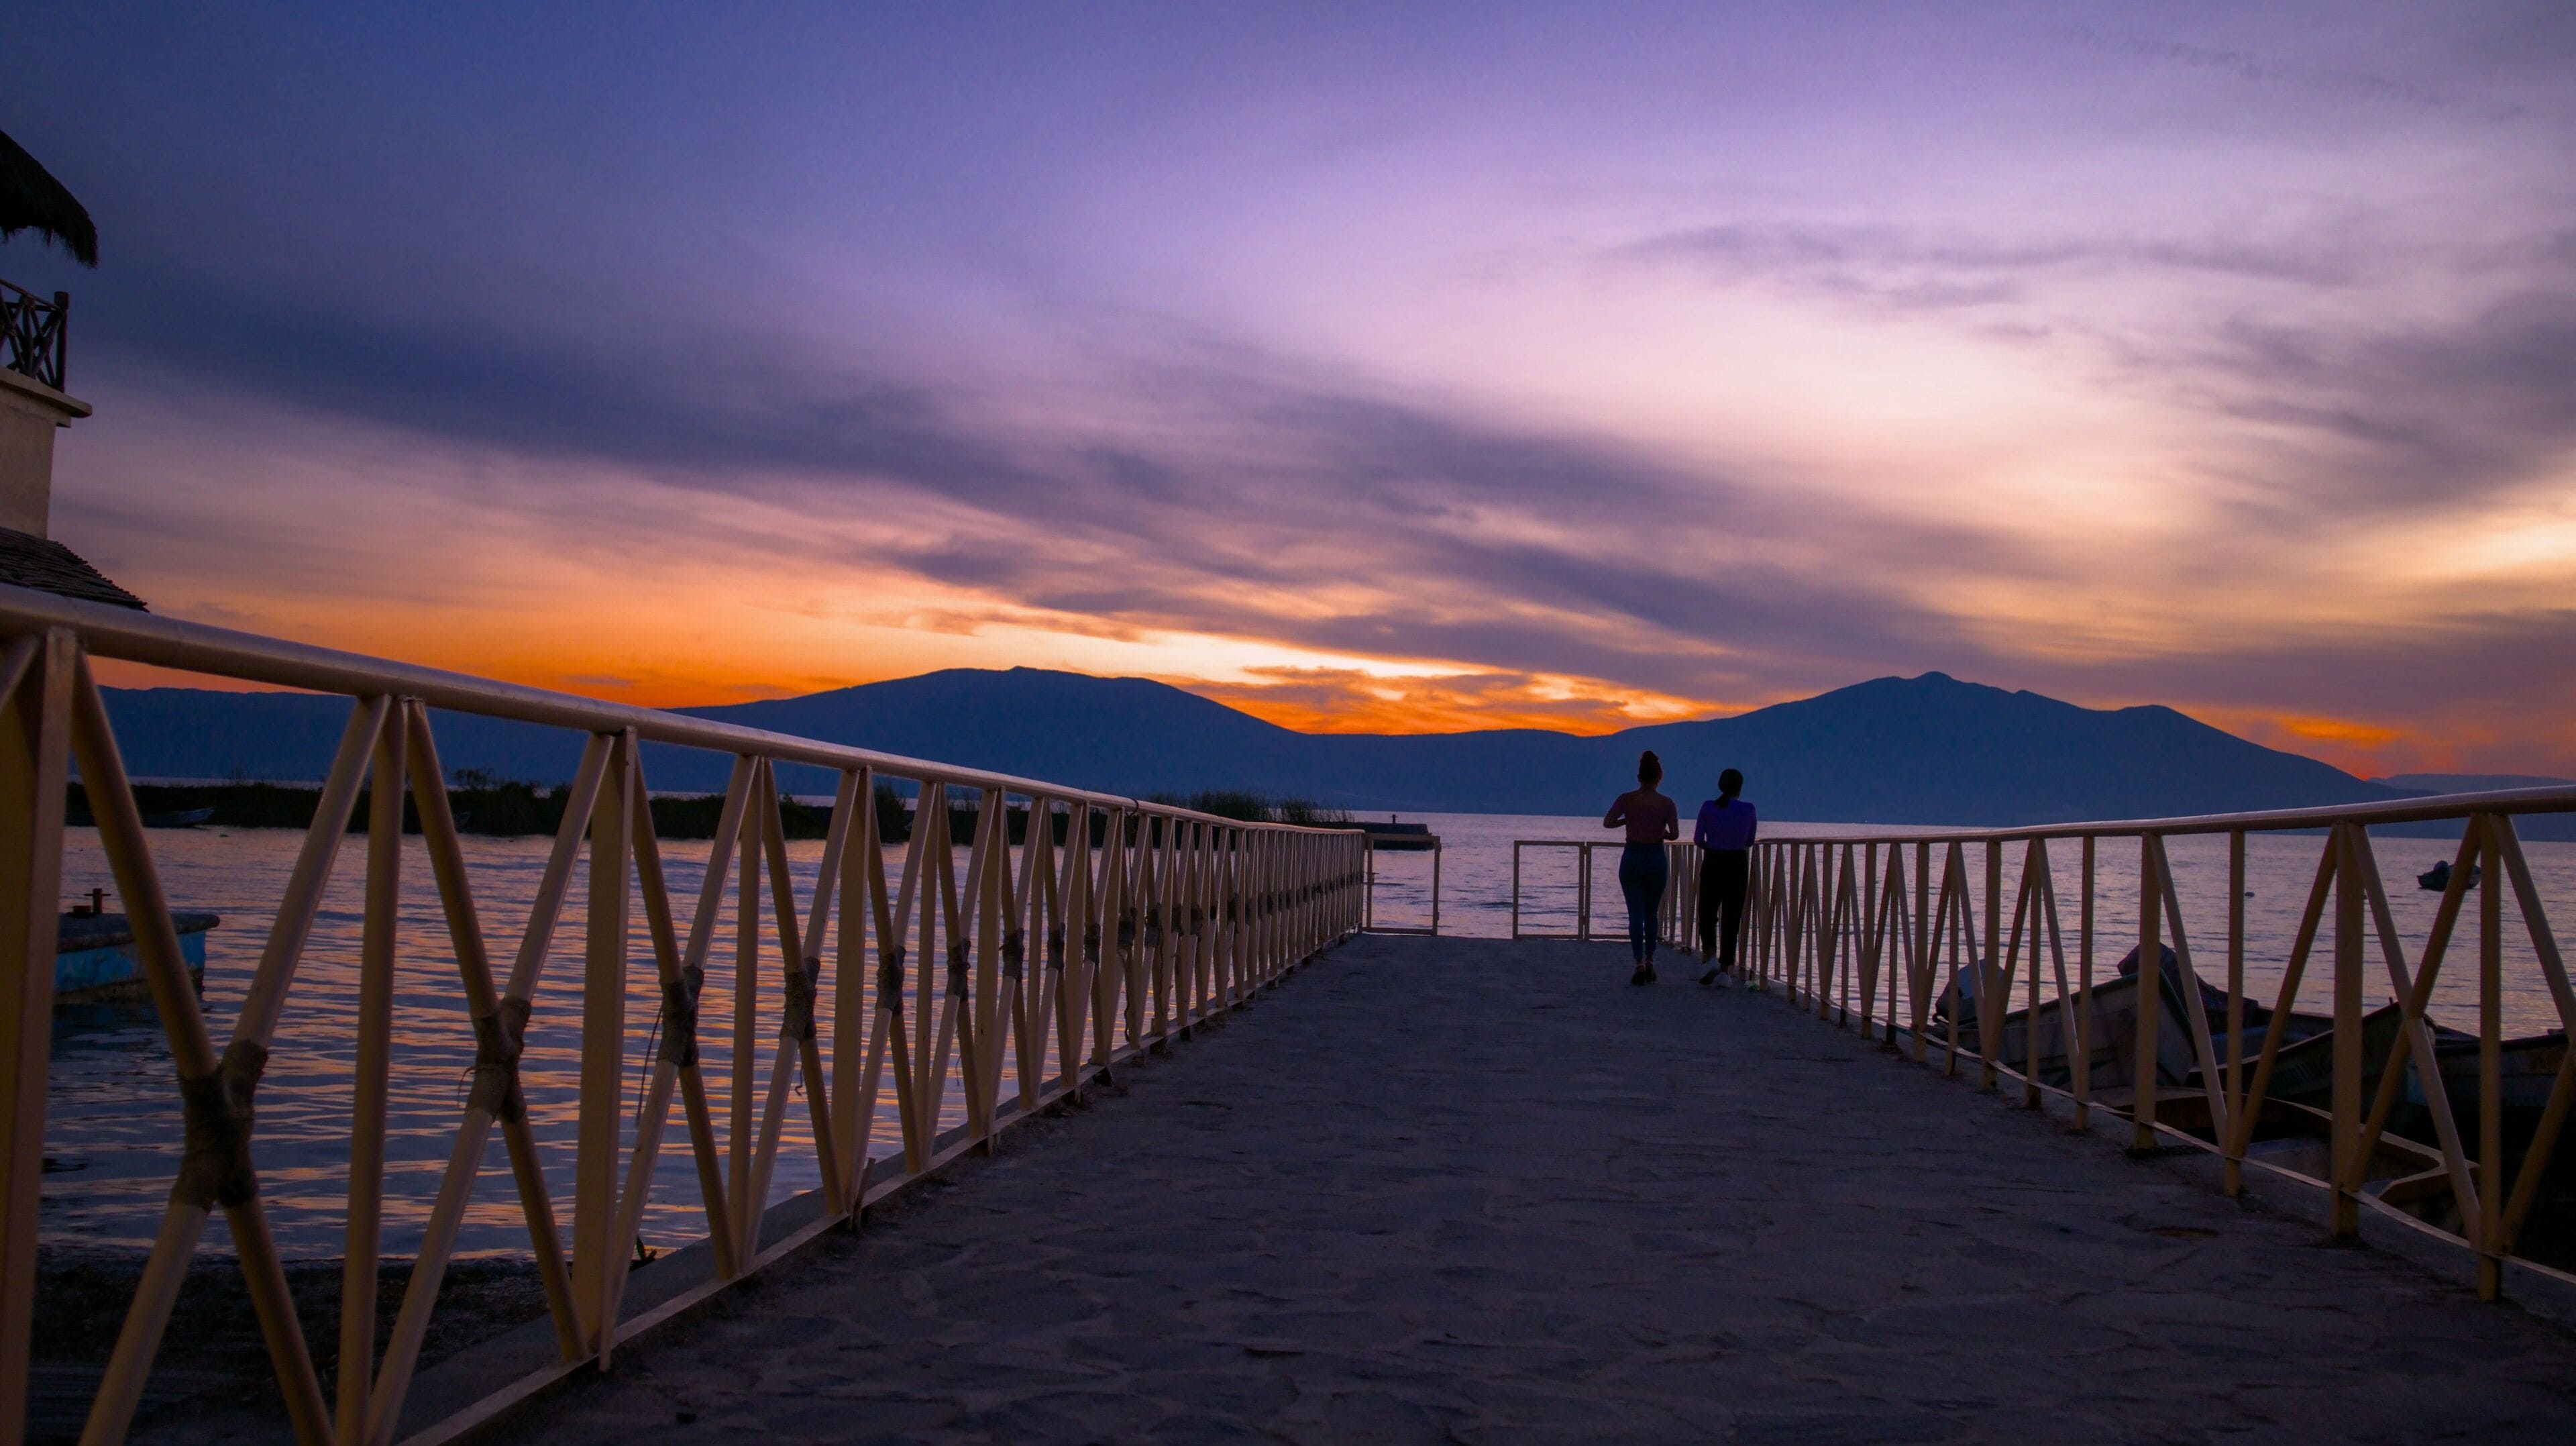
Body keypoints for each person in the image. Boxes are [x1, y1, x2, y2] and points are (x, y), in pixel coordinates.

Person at [1602, 750, 1679, 984]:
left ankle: (1637, 963)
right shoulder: (1666, 803)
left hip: (1633, 857)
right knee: (1651, 913)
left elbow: (1608, 822)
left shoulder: (1627, 799)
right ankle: (1650, 961)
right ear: (1659, 777)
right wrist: (1661, 832)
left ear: (1639, 777)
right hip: (1655, 858)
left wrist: (1629, 820)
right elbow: (1674, 835)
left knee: (1635, 914)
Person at [1693, 768, 1756, 986]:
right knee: (1732, 916)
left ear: (1720, 786)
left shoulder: (1708, 807)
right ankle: (1725, 971)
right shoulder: (1748, 809)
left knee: (1707, 911)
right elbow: (1749, 841)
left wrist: (1713, 845)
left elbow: (1698, 839)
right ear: (1740, 788)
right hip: (1737, 864)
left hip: (1713, 861)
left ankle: (1710, 957)